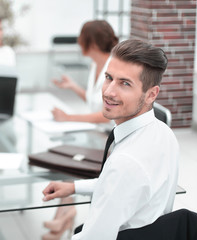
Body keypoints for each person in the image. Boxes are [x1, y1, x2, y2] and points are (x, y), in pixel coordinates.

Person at [42, 39, 179, 240]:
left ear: (151, 95)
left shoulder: (125, 162)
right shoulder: (165, 134)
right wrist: (75, 187)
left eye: (125, 83)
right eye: (109, 77)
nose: (108, 91)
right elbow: (123, 186)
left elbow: (94, 237)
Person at [51, 20, 118, 124]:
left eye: (81, 38)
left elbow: (108, 115)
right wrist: (73, 86)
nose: (79, 42)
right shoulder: (95, 65)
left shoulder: (115, 69)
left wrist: (68, 117)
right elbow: (94, 102)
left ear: (92, 44)